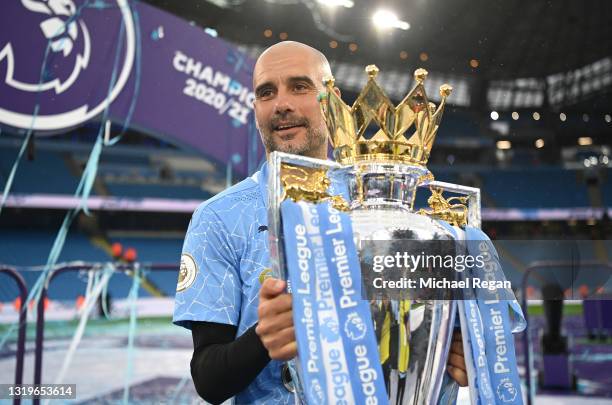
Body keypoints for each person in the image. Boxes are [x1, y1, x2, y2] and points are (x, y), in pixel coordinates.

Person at [173, 41, 467, 404]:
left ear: (331, 100)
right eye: (267, 92)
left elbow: (431, 336)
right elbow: (209, 379)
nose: (282, 103)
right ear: (255, 108)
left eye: (299, 87)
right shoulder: (218, 218)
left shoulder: (388, 208)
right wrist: (264, 337)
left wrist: (461, 352)